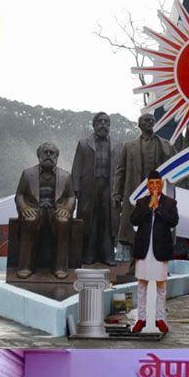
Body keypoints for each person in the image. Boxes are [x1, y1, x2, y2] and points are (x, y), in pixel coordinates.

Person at [114, 113, 175, 254]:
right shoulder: (129, 146)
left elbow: (177, 166)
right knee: (137, 227)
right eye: (147, 120)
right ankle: (135, 261)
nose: (150, 123)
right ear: (140, 125)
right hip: (136, 191)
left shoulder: (166, 145)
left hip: (159, 193)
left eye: (152, 120)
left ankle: (158, 260)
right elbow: (120, 172)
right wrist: (117, 193)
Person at [15, 142, 75, 279]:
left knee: (63, 221)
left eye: (51, 153)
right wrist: (24, 207)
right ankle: (25, 266)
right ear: (39, 155)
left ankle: (60, 266)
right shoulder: (27, 174)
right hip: (35, 208)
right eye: (45, 152)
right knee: (30, 220)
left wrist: (67, 209)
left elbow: (71, 197)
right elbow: (20, 195)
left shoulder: (66, 176)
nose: (48, 155)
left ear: (57, 156)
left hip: (55, 209)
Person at [71, 112, 123, 266]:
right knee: (90, 221)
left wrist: (121, 190)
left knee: (108, 221)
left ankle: (108, 255)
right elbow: (77, 166)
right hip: (89, 187)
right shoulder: (83, 143)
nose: (103, 124)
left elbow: (121, 169)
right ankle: (89, 254)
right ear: (94, 125)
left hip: (109, 187)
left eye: (106, 121)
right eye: (100, 121)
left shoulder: (118, 145)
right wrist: (75, 188)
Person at [130, 170, 178, 333]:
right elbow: (133, 220)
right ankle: (141, 319)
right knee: (142, 285)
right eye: (152, 183)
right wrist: (148, 207)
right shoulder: (141, 202)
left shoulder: (170, 203)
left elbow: (173, 222)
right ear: (147, 185)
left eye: (157, 183)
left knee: (161, 286)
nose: (155, 186)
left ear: (162, 184)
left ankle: (159, 318)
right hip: (144, 248)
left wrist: (158, 208)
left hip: (161, 248)